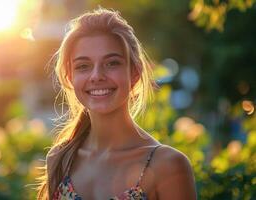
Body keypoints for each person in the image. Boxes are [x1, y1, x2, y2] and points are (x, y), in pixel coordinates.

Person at [37, 7, 197, 200]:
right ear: (70, 77)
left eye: (112, 63)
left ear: (135, 74)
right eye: (83, 66)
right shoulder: (60, 159)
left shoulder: (168, 166)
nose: (96, 76)